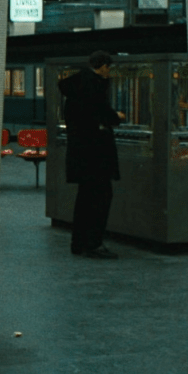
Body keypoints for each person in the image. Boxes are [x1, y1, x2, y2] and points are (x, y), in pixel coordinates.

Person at [58, 50, 125, 259]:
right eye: (108, 68)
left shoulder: (74, 87)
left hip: (81, 155)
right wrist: (116, 116)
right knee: (101, 198)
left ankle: (78, 243)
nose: (109, 73)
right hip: (97, 155)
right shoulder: (94, 86)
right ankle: (94, 243)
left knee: (84, 199)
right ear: (103, 66)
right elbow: (102, 114)